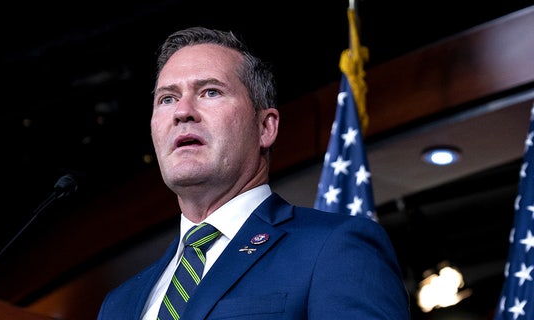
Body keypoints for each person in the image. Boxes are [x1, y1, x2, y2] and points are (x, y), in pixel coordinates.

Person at [97, 26, 411, 319]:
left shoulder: (334, 248)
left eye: (210, 92)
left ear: (265, 127)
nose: (182, 112)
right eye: (167, 98)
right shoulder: (119, 303)